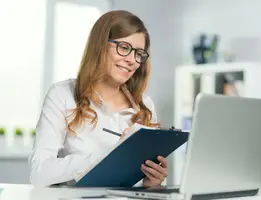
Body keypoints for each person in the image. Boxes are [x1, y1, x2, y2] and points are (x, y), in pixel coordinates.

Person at [29, 10, 168, 187]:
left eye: (139, 53)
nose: (132, 60)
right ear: (100, 45)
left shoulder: (145, 106)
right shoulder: (62, 95)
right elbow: (39, 173)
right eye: (124, 48)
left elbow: (142, 186)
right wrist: (108, 156)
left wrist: (153, 182)